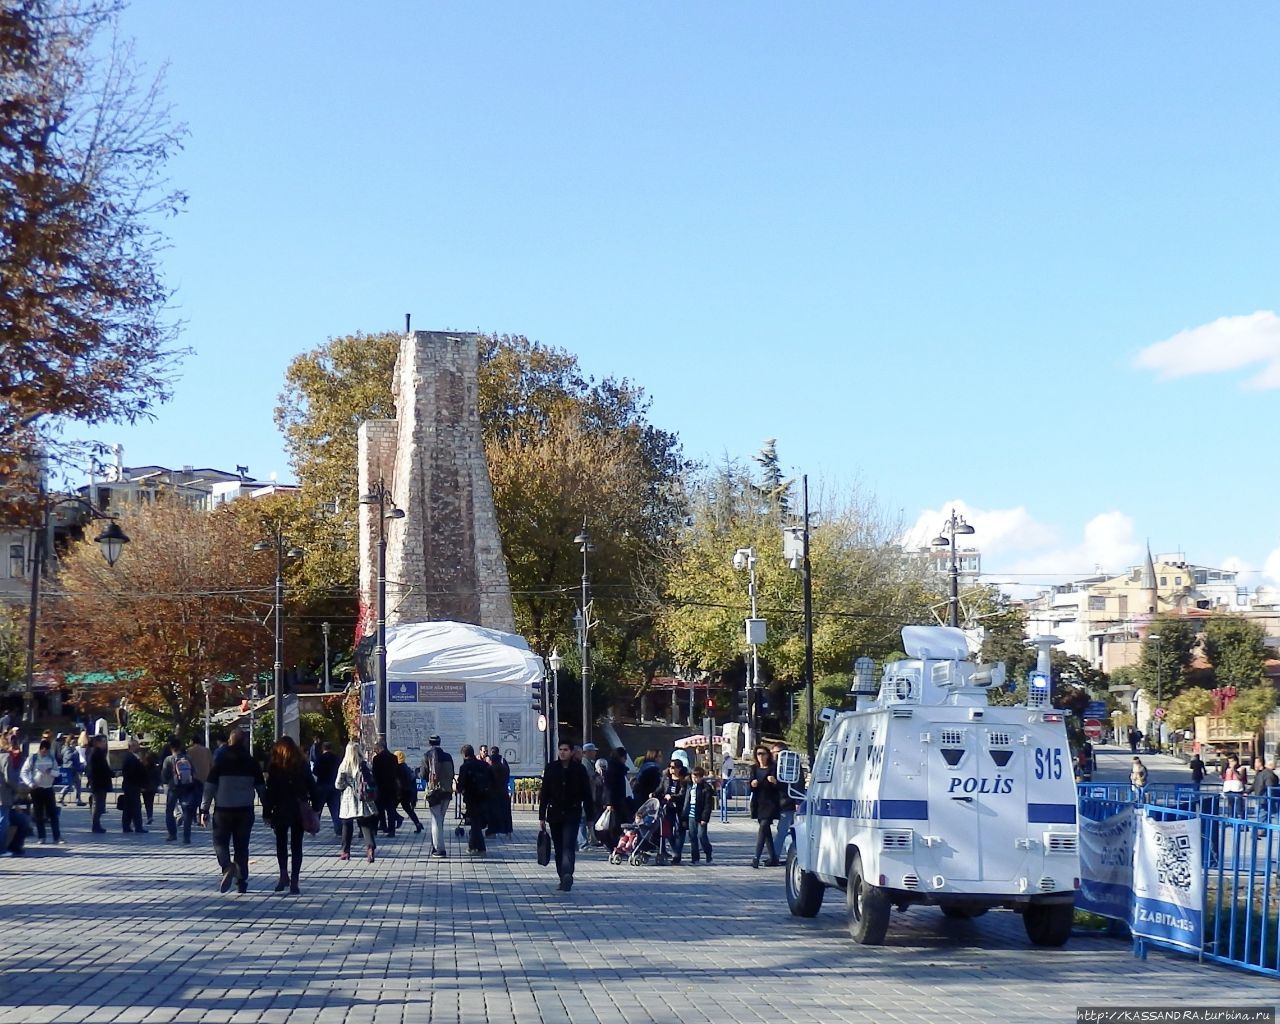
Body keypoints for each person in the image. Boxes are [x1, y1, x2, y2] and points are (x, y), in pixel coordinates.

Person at [198, 728, 267, 894]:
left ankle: (227, 866)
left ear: (229, 741)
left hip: (223, 810)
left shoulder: (220, 761)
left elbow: (210, 787)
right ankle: (241, 881)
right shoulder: (251, 762)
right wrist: (267, 809)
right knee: (242, 847)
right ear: (244, 742)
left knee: (220, 842)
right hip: (245, 810)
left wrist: (204, 809)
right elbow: (261, 788)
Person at [264, 736, 317, 895]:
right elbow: (312, 786)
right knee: (296, 845)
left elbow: (270, 791)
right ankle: (294, 881)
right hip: (298, 808)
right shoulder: (302, 764)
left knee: (281, 844)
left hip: (280, 808)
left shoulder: (275, 766)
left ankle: (283, 875)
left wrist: (267, 812)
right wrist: (316, 807)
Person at [538, 741, 593, 891]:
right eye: (560, 749)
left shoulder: (579, 770)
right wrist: (541, 816)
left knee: (568, 846)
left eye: (566, 750)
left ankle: (567, 873)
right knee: (559, 847)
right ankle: (562, 876)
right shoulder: (551, 768)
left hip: (572, 813)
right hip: (555, 813)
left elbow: (587, 794)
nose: (562, 752)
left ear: (571, 752)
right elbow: (545, 794)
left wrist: (590, 817)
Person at [336, 740, 379, 863]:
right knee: (365, 824)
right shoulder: (364, 764)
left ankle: (345, 851)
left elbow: (338, 784)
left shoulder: (344, 766)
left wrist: (346, 785)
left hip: (349, 798)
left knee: (346, 824)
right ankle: (370, 846)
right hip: (363, 798)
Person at [21, 738, 62, 845]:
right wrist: (30, 783)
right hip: (36, 789)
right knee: (38, 814)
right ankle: (41, 837)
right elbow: (24, 772)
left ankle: (56, 837)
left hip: (48, 788)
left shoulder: (52, 759)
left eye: (47, 751)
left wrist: (51, 771)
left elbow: (58, 773)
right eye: (44, 751)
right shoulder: (33, 758)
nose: (45, 753)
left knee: (52, 814)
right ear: (40, 749)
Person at [420, 735, 454, 858]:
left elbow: (423, 775)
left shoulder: (427, 756)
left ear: (429, 743)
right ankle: (436, 845)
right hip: (447, 791)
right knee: (440, 820)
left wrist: (418, 772)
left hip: (434, 792)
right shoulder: (448, 756)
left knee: (436, 820)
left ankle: (440, 849)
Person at [455, 744, 492, 855]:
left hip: (471, 797)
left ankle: (474, 847)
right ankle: (479, 847)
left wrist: (458, 787)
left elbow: (461, 785)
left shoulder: (464, 767)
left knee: (475, 822)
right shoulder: (484, 765)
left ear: (464, 755)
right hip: (484, 796)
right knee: (477, 822)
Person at [162, 737, 199, 844]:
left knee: (169, 811)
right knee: (187, 811)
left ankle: (172, 834)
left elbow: (164, 776)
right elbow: (194, 772)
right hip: (187, 787)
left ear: (171, 748)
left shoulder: (168, 759)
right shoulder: (188, 758)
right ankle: (186, 837)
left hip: (173, 788)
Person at [748, 746, 781, 868]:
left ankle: (756, 857)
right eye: (758, 754)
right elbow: (750, 786)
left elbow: (780, 786)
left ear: (768, 755)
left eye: (763, 754)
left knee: (762, 829)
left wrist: (775, 782)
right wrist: (752, 784)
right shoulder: (754, 769)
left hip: (771, 803)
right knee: (766, 832)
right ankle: (773, 858)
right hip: (758, 803)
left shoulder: (773, 768)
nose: (761, 757)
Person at [658, 761, 691, 865]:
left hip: (680, 809)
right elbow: (660, 789)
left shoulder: (684, 781)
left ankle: (677, 854)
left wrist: (672, 797)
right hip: (668, 808)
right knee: (667, 831)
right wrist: (654, 794)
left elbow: (682, 795)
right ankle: (675, 850)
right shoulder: (666, 778)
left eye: (673, 767)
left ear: (679, 768)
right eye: (670, 767)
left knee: (680, 831)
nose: (671, 769)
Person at [370, 740, 400, 837]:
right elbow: (396, 772)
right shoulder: (394, 758)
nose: (375, 750)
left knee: (378, 809)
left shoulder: (376, 759)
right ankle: (392, 831)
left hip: (380, 787)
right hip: (391, 787)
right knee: (391, 809)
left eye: (376, 748)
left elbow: (374, 774)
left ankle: (375, 829)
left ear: (380, 747)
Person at [771, 742, 796, 862]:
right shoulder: (774, 766)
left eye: (778, 753)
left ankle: (775, 856)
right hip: (779, 802)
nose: (776, 755)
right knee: (791, 831)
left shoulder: (791, 766)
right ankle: (792, 854)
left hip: (787, 802)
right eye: (774, 753)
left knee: (783, 830)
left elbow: (797, 783)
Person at [686, 765, 715, 864]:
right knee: (692, 836)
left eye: (696, 777)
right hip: (691, 814)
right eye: (693, 777)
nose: (694, 779)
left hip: (700, 815)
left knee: (702, 835)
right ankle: (695, 857)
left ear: (701, 777)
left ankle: (708, 852)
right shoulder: (690, 786)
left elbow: (708, 805)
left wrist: (704, 818)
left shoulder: (705, 788)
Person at [602, 746, 629, 851]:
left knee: (616, 824)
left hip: (616, 800)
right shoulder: (615, 770)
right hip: (615, 801)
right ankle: (613, 845)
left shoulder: (613, 768)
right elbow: (609, 787)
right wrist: (609, 802)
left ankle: (616, 845)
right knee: (615, 824)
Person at [312, 740, 342, 835]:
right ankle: (338, 829)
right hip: (334, 786)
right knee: (335, 809)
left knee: (318, 809)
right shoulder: (336, 758)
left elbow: (315, 771)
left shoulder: (320, 758)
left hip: (322, 785)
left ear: (322, 749)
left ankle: (314, 828)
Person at [85, 734, 113, 834]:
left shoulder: (99, 753)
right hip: (98, 783)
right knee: (98, 805)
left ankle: (97, 824)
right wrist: (110, 774)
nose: (105, 744)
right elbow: (98, 769)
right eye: (103, 742)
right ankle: (95, 825)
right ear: (97, 743)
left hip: (100, 783)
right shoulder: (95, 753)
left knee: (100, 805)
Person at [119, 738, 147, 833]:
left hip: (131, 785)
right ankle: (138, 826)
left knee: (129, 807)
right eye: (136, 745)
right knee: (135, 806)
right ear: (131, 746)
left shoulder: (133, 757)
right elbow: (133, 773)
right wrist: (140, 783)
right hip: (132, 786)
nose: (138, 747)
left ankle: (127, 826)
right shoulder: (130, 758)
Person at [486, 745, 513, 837]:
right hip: (503, 791)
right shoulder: (504, 765)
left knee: (493, 813)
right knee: (505, 813)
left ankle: (492, 831)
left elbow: (488, 780)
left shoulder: (490, 767)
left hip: (493, 793)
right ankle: (507, 831)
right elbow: (507, 776)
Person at [394, 750, 424, 834]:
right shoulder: (407, 767)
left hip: (400, 792)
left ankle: (399, 819)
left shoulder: (398, 768)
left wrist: (397, 793)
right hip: (408, 792)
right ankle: (417, 824)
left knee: (391, 808)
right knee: (408, 809)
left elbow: (398, 782)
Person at [58, 732, 87, 807]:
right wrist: (75, 752)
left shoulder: (71, 748)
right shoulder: (67, 749)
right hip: (70, 769)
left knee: (77, 784)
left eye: (74, 741)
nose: (74, 742)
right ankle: (61, 797)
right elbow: (68, 757)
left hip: (73, 768)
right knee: (69, 785)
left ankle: (78, 799)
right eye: (72, 740)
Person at [141, 748, 161, 825]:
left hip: (145, 787)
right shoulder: (155, 768)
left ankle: (149, 816)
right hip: (152, 787)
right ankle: (150, 815)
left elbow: (141, 777)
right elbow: (158, 778)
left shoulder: (144, 767)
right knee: (151, 802)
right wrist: (157, 785)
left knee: (146, 802)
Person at [719, 749, 735, 824]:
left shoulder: (730, 761)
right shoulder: (726, 760)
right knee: (725, 787)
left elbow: (730, 769)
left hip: (727, 777)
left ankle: (728, 795)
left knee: (727, 787)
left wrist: (728, 776)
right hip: (724, 776)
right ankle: (726, 795)